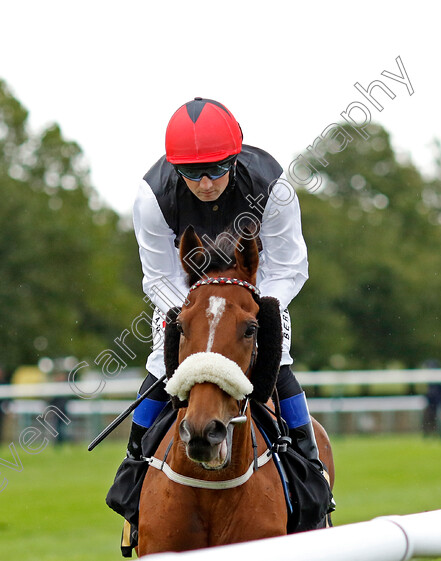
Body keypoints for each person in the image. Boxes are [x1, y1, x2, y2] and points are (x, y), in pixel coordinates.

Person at [126, 97, 322, 475]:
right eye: (192, 172)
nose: (204, 183)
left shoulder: (273, 186)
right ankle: (135, 463)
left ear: (234, 159)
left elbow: (289, 265)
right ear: (175, 167)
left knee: (275, 357)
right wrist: (196, 316)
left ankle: (310, 465)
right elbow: (160, 277)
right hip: (186, 292)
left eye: (216, 170)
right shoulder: (152, 197)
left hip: (258, 285)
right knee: (159, 360)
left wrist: (259, 307)